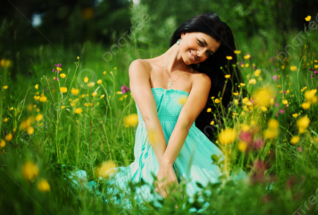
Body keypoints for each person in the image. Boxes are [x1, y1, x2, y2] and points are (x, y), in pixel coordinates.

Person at [63, 12, 248, 211]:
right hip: (151, 151)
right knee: (148, 200)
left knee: (205, 200)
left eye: (208, 53)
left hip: (187, 153)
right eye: (201, 43)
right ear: (184, 33)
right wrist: (164, 167)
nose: (201, 54)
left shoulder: (200, 80)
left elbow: (184, 124)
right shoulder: (141, 67)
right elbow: (149, 118)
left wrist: (167, 164)